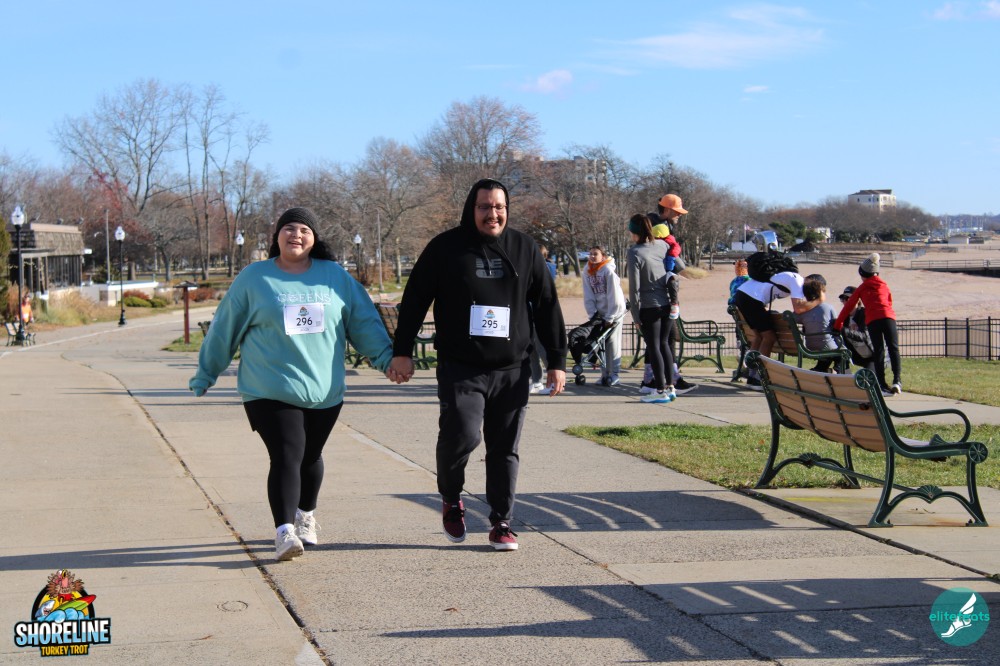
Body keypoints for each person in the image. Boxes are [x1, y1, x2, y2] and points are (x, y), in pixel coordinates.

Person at [189, 207, 401, 562]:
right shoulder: (255, 278)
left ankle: (305, 516)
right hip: (268, 387)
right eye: (289, 228)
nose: (296, 235)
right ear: (277, 236)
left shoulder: (335, 277)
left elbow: (363, 322)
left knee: (311, 456)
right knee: (288, 453)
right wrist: (206, 372)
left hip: (323, 389)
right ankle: (284, 531)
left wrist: (385, 360)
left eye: (304, 229)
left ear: (314, 238)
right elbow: (225, 326)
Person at [388, 179, 567, 552]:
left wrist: (556, 360)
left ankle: (502, 521)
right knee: (463, 435)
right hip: (461, 366)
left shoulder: (524, 248)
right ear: (471, 209)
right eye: (484, 207)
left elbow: (547, 304)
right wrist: (402, 350)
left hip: (513, 368)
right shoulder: (445, 248)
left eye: (499, 207)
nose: (493, 214)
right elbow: (415, 298)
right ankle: (451, 497)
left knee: (505, 447)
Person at [833, 252, 902, 395]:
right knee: (893, 348)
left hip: (873, 320)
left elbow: (847, 307)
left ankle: (882, 385)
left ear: (863, 274)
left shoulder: (862, 287)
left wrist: (837, 325)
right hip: (888, 318)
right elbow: (889, 301)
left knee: (879, 351)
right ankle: (897, 380)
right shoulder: (884, 285)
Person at [627, 213, 676, 404]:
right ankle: (671, 386)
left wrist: (636, 316)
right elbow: (678, 264)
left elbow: (634, 288)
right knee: (664, 344)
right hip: (667, 303)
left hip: (649, 305)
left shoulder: (635, 252)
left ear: (634, 232)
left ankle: (660, 389)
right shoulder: (662, 245)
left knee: (653, 346)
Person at [732, 269, 806, 389]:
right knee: (769, 337)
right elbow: (798, 308)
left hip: (742, 294)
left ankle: (751, 375)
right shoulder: (797, 281)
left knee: (759, 336)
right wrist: (818, 301)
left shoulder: (786, 277)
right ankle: (759, 377)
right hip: (752, 298)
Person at [582, 245, 627, 386]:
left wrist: (610, 316)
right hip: (599, 314)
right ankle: (604, 374)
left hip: (614, 312)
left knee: (612, 342)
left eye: (595, 254)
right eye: (590, 253)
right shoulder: (587, 271)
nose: (592, 256)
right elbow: (588, 294)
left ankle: (614, 374)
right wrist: (592, 314)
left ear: (603, 256)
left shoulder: (608, 270)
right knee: (600, 343)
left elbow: (614, 295)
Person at [793, 276, 840, 372]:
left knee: (827, 352)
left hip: (810, 345)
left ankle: (820, 369)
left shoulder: (802, 311)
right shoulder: (827, 307)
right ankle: (838, 371)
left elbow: (794, 318)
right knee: (843, 354)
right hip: (827, 345)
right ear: (820, 293)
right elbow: (836, 325)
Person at [837, 285, 877, 373]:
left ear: (858, 300)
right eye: (842, 299)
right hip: (857, 355)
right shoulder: (845, 317)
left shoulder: (865, 314)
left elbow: (864, 336)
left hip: (873, 356)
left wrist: (843, 330)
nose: (844, 301)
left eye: (847, 298)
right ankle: (838, 373)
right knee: (838, 353)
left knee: (868, 378)